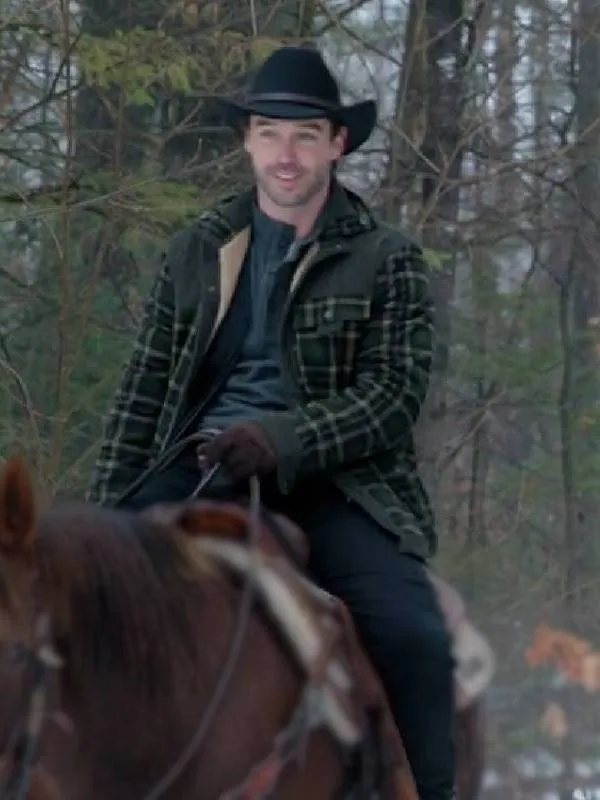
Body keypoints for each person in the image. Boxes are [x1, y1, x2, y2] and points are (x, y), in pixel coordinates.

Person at [87, 45, 455, 799]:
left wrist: (282, 438)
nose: (286, 156)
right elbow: (144, 393)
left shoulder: (385, 259)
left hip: (340, 486)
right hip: (202, 465)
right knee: (78, 612)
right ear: (247, 142)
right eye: (269, 134)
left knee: (414, 636)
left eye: (305, 136)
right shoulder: (198, 250)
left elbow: (393, 396)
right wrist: (105, 522)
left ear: (337, 143)